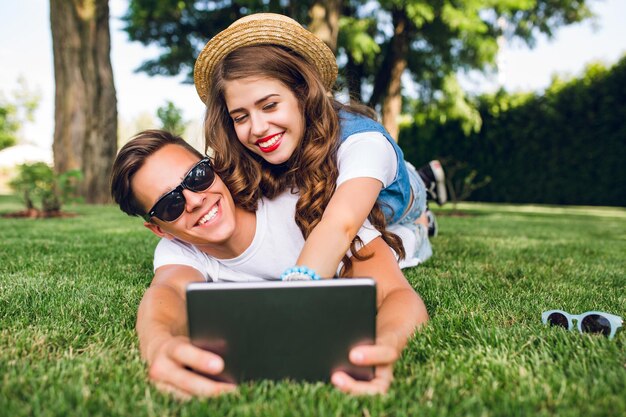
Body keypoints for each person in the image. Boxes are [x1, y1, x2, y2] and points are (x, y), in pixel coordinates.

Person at [110, 130, 429, 398]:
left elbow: (398, 295)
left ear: (215, 168)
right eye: (170, 205)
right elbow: (166, 295)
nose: (195, 200)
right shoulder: (178, 249)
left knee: (410, 231)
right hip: (385, 232)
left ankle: (426, 203)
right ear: (158, 229)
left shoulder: (303, 203)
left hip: (388, 199)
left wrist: (385, 343)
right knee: (410, 237)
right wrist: (159, 343)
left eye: (197, 176)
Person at [194, 13, 447, 282]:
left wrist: (300, 289)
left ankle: (424, 218)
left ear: (303, 93)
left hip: (398, 196)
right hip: (342, 190)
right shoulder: (252, 148)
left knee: (398, 230)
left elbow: (341, 224)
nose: (257, 128)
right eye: (240, 117)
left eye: (269, 106)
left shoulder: (363, 142)